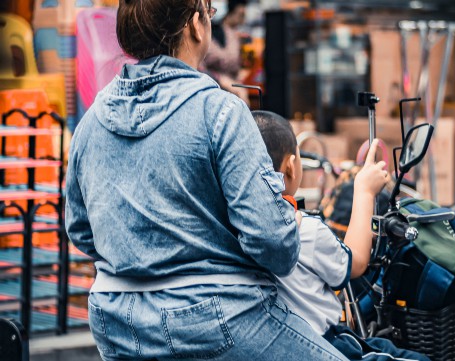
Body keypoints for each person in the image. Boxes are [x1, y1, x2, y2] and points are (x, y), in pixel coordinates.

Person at [65, 1, 351, 360]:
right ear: (195, 26)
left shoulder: (91, 122)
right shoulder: (221, 111)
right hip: (219, 320)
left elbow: (80, 230)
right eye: (209, 11)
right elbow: (274, 245)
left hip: (116, 322)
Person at [252, 110, 431, 361]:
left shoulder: (233, 229)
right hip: (324, 343)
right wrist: (364, 190)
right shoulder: (304, 229)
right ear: (291, 167)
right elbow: (356, 262)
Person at [202, 0, 250, 104]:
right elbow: (197, 69)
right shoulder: (200, 35)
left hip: (234, 97)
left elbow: (237, 67)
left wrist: (240, 87)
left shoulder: (232, 34)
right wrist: (221, 80)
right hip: (209, 95)